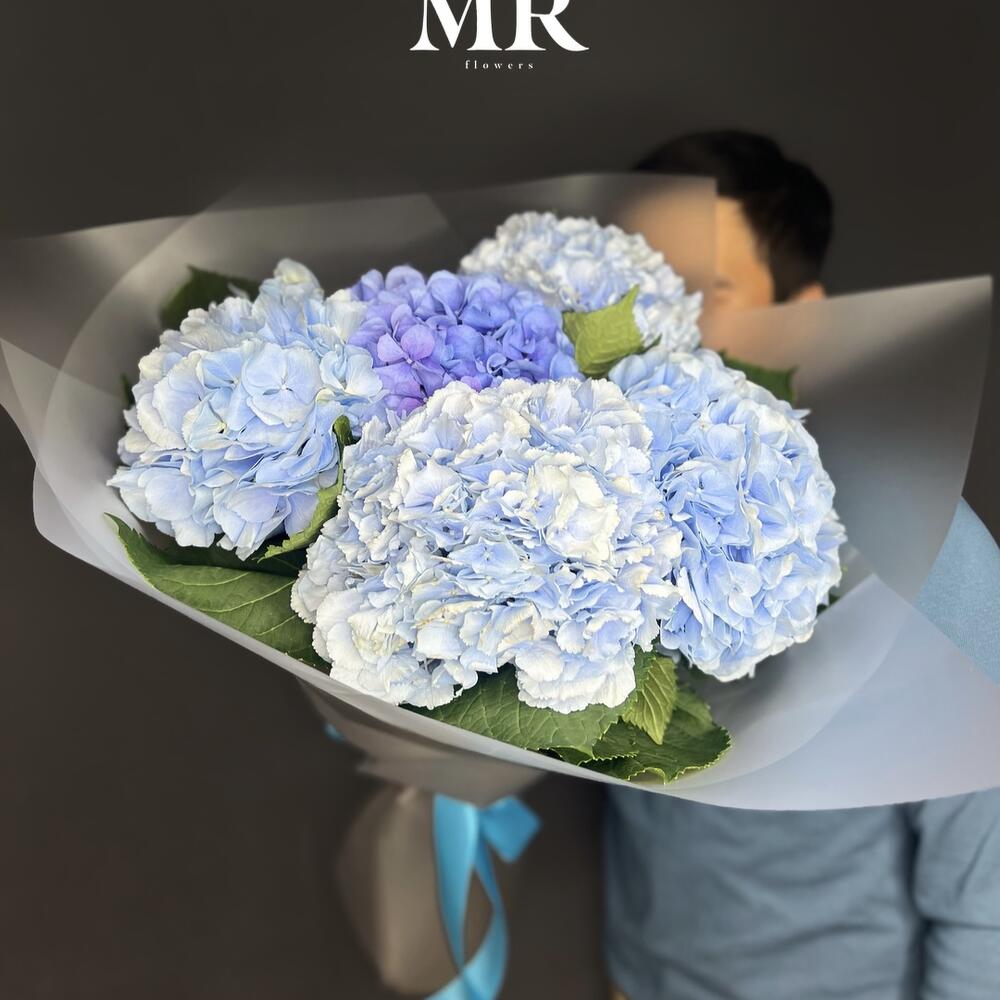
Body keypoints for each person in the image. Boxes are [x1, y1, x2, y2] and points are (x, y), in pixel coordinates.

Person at [605, 130, 1000, 1000]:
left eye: (703, 292)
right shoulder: (594, 509)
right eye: (628, 286)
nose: (650, 326)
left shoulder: (919, 541)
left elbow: (994, 895)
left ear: (803, 315)